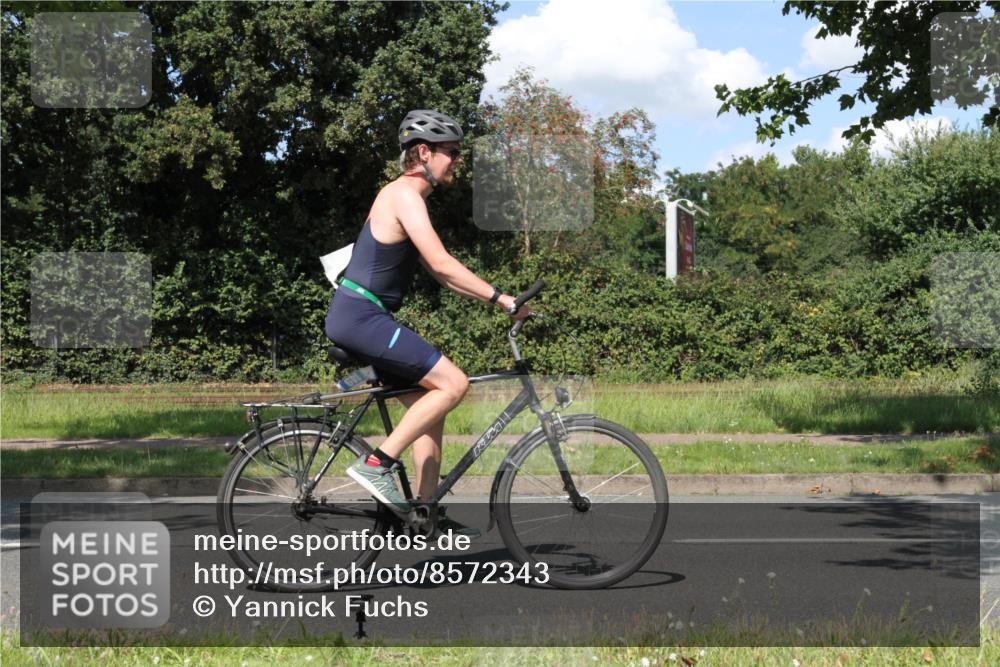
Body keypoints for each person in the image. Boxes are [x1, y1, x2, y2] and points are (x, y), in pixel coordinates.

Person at [325, 109, 530, 536]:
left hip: (361, 316)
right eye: (451, 152)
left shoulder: (405, 199)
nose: (457, 160)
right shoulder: (404, 195)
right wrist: (504, 298)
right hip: (360, 316)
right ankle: (376, 464)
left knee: (429, 404)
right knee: (453, 384)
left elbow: (441, 274)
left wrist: (492, 301)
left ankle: (423, 511)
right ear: (424, 152)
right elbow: (441, 262)